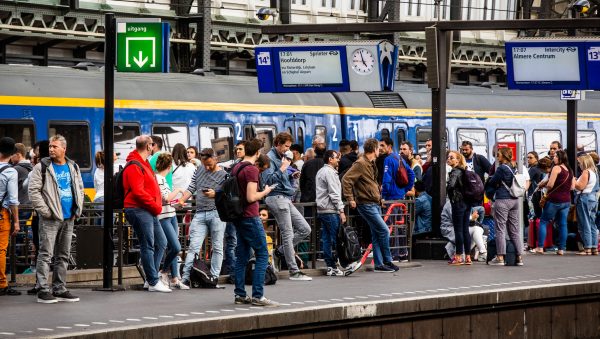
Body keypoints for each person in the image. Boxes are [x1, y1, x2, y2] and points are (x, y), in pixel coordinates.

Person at [28, 134, 85, 303]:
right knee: (45, 254)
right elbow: (34, 192)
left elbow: (80, 188)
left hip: (69, 217)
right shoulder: (42, 167)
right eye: (50, 147)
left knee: (63, 255)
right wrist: (46, 211)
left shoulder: (72, 166)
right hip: (50, 218)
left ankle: (60, 288)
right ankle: (43, 290)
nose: (51, 149)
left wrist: (77, 209)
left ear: (64, 149)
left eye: (55, 146)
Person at [231, 138, 279, 307]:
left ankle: (240, 294)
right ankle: (258, 295)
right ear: (258, 153)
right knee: (262, 254)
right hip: (250, 216)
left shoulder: (236, 167)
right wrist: (265, 191)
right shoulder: (251, 170)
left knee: (242, 256)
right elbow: (251, 197)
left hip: (237, 216)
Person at [121, 135, 169, 293]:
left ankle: (151, 277)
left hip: (147, 209)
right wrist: (156, 206)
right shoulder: (135, 165)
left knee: (161, 242)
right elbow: (138, 192)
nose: (154, 147)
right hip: (140, 209)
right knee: (147, 244)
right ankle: (153, 281)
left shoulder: (143, 163)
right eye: (153, 145)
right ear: (149, 147)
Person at [343, 138, 399, 273]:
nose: (380, 150)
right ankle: (387, 260)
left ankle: (379, 264)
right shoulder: (361, 163)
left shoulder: (369, 163)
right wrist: (350, 198)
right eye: (378, 148)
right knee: (384, 230)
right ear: (374, 149)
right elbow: (346, 179)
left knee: (376, 234)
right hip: (366, 204)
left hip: (373, 203)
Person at [262, 132, 312, 281]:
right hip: (276, 197)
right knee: (288, 234)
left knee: (305, 229)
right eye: (285, 146)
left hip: (285, 197)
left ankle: (278, 252)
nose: (287, 149)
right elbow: (268, 180)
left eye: (289, 147)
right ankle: (294, 271)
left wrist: (291, 174)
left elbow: (280, 176)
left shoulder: (281, 158)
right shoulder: (269, 158)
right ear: (277, 143)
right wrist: (284, 168)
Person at [178, 148, 228, 286]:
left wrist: (215, 194)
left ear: (216, 159)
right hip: (200, 212)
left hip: (216, 213)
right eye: (204, 164)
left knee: (217, 247)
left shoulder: (224, 174)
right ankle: (185, 278)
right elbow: (192, 186)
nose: (206, 167)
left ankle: (214, 277)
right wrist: (182, 200)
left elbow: (227, 194)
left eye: (209, 164)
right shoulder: (199, 169)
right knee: (193, 247)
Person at [155, 153, 188, 289]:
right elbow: (166, 198)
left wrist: (177, 204)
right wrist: (179, 190)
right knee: (175, 247)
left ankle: (174, 278)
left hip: (170, 214)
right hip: (164, 217)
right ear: (169, 166)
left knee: (173, 248)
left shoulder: (161, 179)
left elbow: (167, 201)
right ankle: (163, 272)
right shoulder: (159, 179)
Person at [486, 147, 524, 266]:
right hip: (514, 200)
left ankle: (500, 257)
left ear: (503, 156)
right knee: (514, 230)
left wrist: (492, 181)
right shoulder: (514, 167)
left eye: (499, 154)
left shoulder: (502, 168)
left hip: (502, 200)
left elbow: (492, 182)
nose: (497, 156)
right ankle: (519, 258)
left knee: (500, 229)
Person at [535, 150, 573, 255]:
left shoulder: (556, 168)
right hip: (566, 201)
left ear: (561, 158)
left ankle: (540, 247)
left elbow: (551, 184)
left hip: (555, 200)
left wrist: (543, 186)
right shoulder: (569, 169)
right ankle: (561, 249)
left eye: (556, 156)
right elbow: (572, 187)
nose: (554, 158)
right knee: (563, 224)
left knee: (543, 221)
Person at [316, 150, 346, 276]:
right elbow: (334, 193)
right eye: (336, 158)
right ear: (330, 159)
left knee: (327, 239)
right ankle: (342, 264)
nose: (338, 160)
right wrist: (341, 210)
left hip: (322, 209)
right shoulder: (329, 173)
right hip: (330, 209)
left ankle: (330, 266)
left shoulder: (321, 171)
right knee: (337, 238)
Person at [0, 137, 21, 296]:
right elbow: (13, 200)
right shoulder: (10, 171)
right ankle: (1, 284)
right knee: (1, 250)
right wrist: (16, 222)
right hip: (2, 214)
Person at [446, 150, 473, 266]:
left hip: (458, 202)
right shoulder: (465, 171)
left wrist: (449, 191)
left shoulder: (455, 171)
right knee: (465, 229)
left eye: (452, 157)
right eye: (448, 157)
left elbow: (451, 185)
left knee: (458, 230)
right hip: (467, 203)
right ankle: (468, 257)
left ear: (458, 160)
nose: (449, 159)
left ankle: (458, 256)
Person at [574, 153, 599, 255]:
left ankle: (587, 247)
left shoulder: (585, 172)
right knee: (592, 223)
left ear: (584, 162)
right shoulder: (595, 172)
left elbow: (580, 186)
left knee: (584, 223)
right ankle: (594, 247)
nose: (579, 164)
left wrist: (573, 180)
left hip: (584, 198)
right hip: (593, 198)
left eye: (579, 162)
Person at [300, 135, 326, 204]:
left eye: (314, 145)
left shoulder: (308, 163)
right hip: (324, 199)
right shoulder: (329, 163)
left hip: (309, 198)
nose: (313, 147)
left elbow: (302, 181)